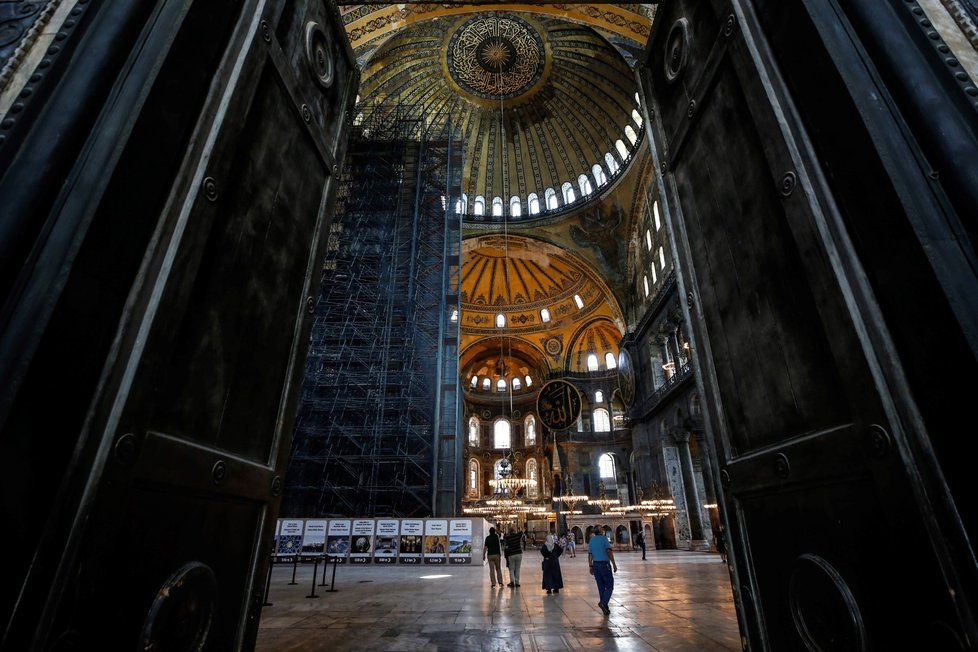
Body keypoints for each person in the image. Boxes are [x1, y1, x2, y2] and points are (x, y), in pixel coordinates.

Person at [588, 525, 617, 615]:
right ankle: (603, 603)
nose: (603, 530)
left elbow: (590, 555)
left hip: (595, 565)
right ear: (600, 531)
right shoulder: (604, 539)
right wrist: (614, 564)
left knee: (601, 587)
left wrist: (590, 566)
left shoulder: (592, 540)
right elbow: (609, 552)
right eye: (602, 528)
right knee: (609, 585)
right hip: (604, 565)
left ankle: (605, 608)